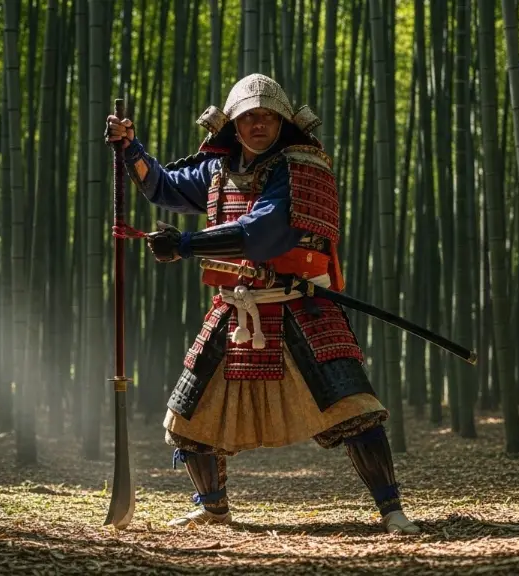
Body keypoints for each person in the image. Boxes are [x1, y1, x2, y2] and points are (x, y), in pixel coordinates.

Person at [105, 73, 420, 535]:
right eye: (248, 116)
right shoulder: (218, 169)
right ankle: (213, 508)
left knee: (354, 408)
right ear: (232, 123)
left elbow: (262, 230)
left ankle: (392, 509)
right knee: (187, 417)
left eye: (267, 116)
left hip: (301, 306)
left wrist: (187, 245)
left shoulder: (301, 167)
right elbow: (165, 187)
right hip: (237, 308)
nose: (258, 125)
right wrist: (131, 150)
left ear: (282, 122)